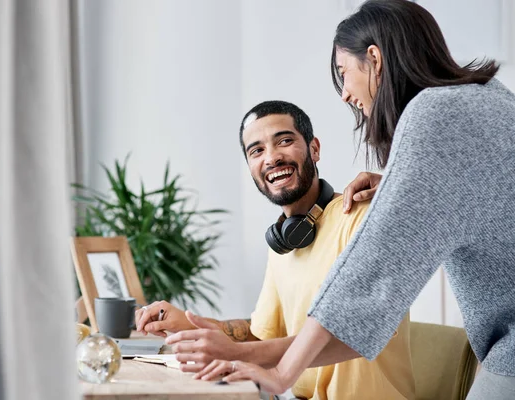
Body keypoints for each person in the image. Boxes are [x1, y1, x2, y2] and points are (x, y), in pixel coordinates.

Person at [194, 1, 515, 399]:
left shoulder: (433, 112)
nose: (345, 94)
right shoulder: (491, 96)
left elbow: (372, 271)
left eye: (344, 73)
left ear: (375, 60)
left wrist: (281, 373)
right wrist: (402, 183)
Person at [136, 100, 415, 399]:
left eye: (284, 141)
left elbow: (362, 334)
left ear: (314, 149)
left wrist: (242, 354)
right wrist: (192, 327)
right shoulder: (284, 242)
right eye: (257, 150)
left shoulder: (358, 217)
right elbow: (261, 334)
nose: (272, 158)